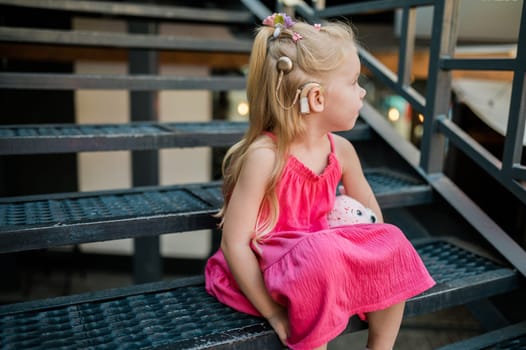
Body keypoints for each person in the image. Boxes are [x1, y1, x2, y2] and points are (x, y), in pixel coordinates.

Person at [205, 13, 435, 350]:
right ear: (315, 98)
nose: (362, 92)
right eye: (354, 82)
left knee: (393, 239)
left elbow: (374, 220)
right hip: (269, 271)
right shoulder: (265, 157)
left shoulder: (341, 151)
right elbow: (234, 245)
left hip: (323, 259)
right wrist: (273, 313)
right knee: (322, 256)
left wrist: (370, 263)